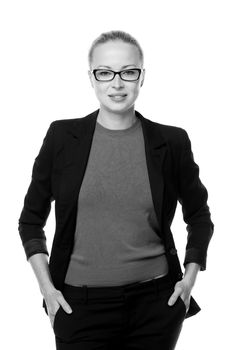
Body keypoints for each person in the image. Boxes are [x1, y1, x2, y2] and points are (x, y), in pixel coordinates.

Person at [18, 30, 214, 350]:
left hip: (156, 304)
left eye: (128, 72)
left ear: (141, 77)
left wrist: (189, 279)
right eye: (105, 72)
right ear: (92, 78)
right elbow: (29, 220)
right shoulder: (62, 138)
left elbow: (199, 215)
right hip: (78, 305)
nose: (117, 83)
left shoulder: (171, 142)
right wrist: (47, 289)